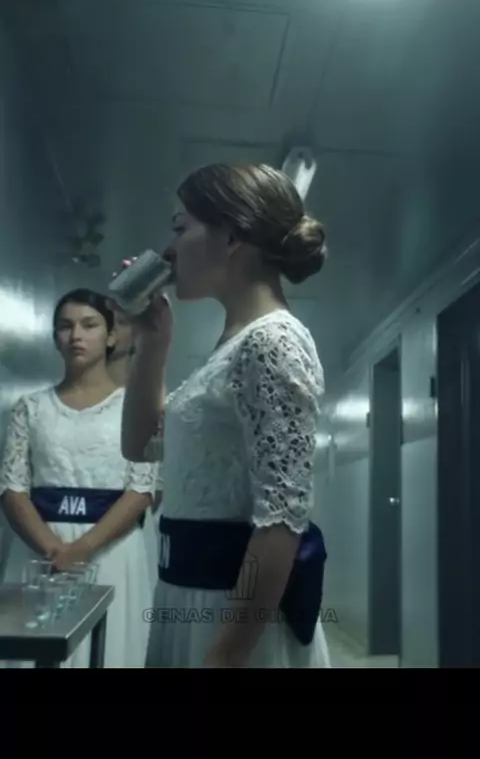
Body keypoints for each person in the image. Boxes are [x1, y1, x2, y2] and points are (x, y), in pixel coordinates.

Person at [121, 163, 331, 668]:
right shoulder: (233, 345)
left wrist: (226, 655)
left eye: (181, 227)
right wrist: (152, 345)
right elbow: (140, 445)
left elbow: (282, 518)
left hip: (232, 614)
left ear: (232, 236)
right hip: (189, 594)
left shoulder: (272, 342)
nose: (169, 249)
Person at [0, 288, 157, 667]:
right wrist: (54, 550)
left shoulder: (136, 407)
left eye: (89, 325)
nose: (76, 336)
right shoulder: (30, 408)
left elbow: (141, 489)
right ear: (55, 337)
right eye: (65, 326)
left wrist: (82, 550)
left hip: (110, 548)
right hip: (40, 551)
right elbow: (12, 488)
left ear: (111, 336)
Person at [107, 304, 162, 593]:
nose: (113, 330)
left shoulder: (147, 394)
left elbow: (156, 489)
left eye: (122, 322)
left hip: (131, 530)